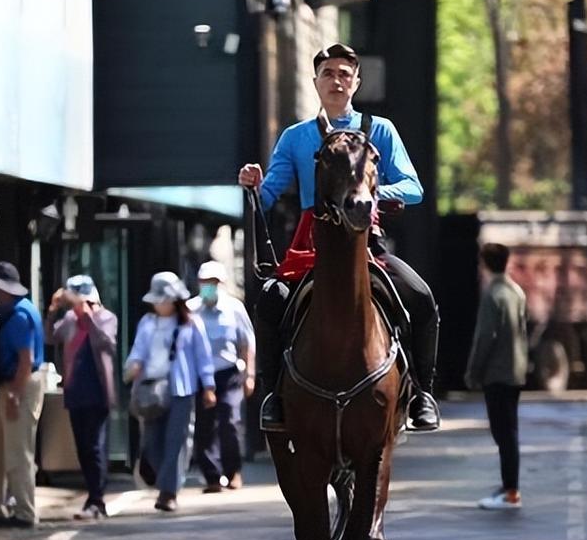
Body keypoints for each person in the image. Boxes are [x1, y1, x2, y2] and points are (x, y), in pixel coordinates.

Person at [238, 42, 440, 432]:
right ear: (315, 82)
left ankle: (421, 393)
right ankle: (273, 396)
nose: (336, 81)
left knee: (422, 299)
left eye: (344, 74)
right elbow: (266, 196)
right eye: (328, 73)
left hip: (368, 244)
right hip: (311, 247)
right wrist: (251, 185)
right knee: (269, 301)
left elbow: (413, 187)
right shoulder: (295, 138)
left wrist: (370, 196)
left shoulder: (380, 130)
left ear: (356, 83)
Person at [125, 272, 216, 512]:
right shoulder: (147, 323)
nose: (158, 304)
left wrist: (208, 386)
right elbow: (138, 351)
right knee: (152, 442)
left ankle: (168, 492)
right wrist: (132, 367)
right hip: (151, 389)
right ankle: (165, 480)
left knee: (176, 441)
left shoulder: (191, 323)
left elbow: (203, 357)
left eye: (162, 299)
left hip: (181, 389)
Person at [0, 261, 45, 528]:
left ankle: (24, 512)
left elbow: (25, 360)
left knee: (18, 452)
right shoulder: (20, 310)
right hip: (12, 384)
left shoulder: (18, 316)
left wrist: (15, 395)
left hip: (20, 385)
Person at [46, 275, 118, 520]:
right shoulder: (69, 320)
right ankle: (92, 494)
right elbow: (50, 337)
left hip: (97, 391)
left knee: (96, 446)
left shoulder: (106, 318)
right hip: (76, 391)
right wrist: (53, 312)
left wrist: (88, 316)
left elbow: (106, 344)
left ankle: (97, 499)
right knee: (83, 448)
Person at [465, 243, 528, 511]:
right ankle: (509, 486)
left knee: (503, 433)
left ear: (485, 264)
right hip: (515, 371)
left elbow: (484, 337)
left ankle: (510, 491)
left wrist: (473, 372)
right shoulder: (516, 291)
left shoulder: (493, 294)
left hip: (497, 373)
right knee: (509, 432)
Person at [188, 260, 256, 493]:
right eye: (206, 282)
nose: (210, 287)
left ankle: (233, 470)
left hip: (229, 374)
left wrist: (250, 374)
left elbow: (247, 342)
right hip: (200, 376)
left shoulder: (234, 308)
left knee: (230, 420)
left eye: (214, 282)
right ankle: (212, 477)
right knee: (204, 426)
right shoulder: (191, 309)